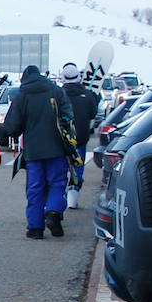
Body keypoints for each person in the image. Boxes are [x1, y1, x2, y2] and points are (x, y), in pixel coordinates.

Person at [3, 65, 74, 239]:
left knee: (35, 188)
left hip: (33, 152)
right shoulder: (56, 91)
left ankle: (35, 228)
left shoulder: (22, 96)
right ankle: (53, 213)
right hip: (57, 149)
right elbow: (67, 116)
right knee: (57, 183)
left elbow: (12, 126)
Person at [60, 62, 101, 206]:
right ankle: (74, 193)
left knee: (61, 167)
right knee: (78, 166)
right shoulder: (87, 93)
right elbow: (93, 113)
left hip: (62, 138)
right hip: (81, 137)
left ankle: (61, 195)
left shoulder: (58, 94)